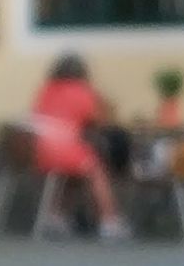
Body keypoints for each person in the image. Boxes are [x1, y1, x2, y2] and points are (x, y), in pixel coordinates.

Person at [31, 53, 131, 240]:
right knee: (96, 171)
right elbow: (98, 121)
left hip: (41, 151)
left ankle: (56, 215)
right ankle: (109, 221)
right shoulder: (83, 92)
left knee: (72, 175)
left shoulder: (47, 91)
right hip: (65, 149)